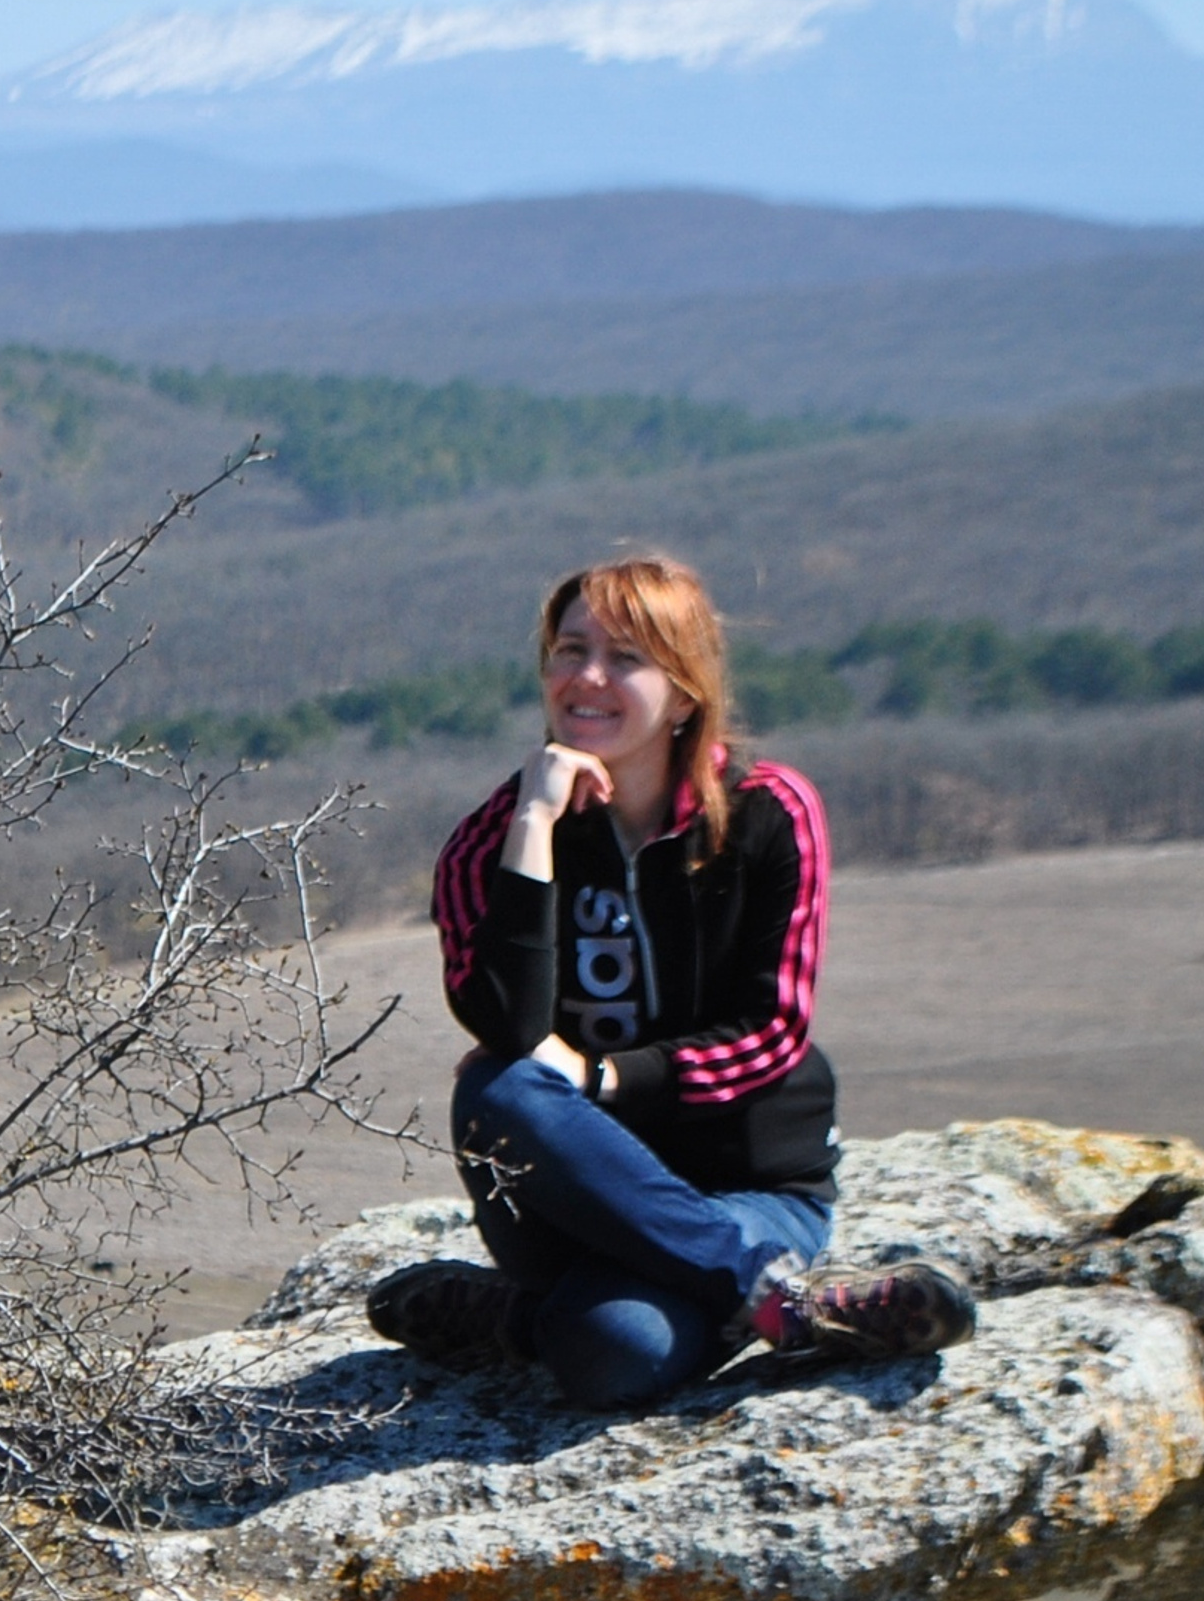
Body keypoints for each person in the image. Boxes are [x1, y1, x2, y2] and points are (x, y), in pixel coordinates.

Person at [367, 554, 974, 1407]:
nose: (588, 677)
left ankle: (519, 1318)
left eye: (626, 658)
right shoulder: (488, 847)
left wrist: (602, 1079)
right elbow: (506, 1030)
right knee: (500, 1087)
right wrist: (534, 820)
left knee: (609, 1351)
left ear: (685, 694)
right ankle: (779, 1305)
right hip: (573, 1200)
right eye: (570, 651)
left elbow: (772, 1030)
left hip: (749, 1189)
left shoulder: (768, 812)